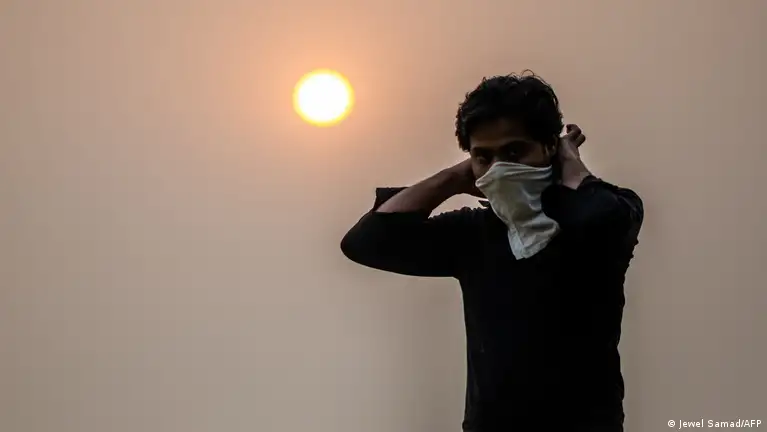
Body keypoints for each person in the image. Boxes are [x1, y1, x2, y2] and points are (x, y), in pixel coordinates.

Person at [339, 72, 643, 432]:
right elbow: (366, 241)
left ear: (549, 146)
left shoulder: (603, 215)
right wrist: (453, 178)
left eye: (514, 152)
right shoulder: (475, 233)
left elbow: (602, 218)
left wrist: (570, 161)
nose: (499, 169)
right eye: (484, 156)